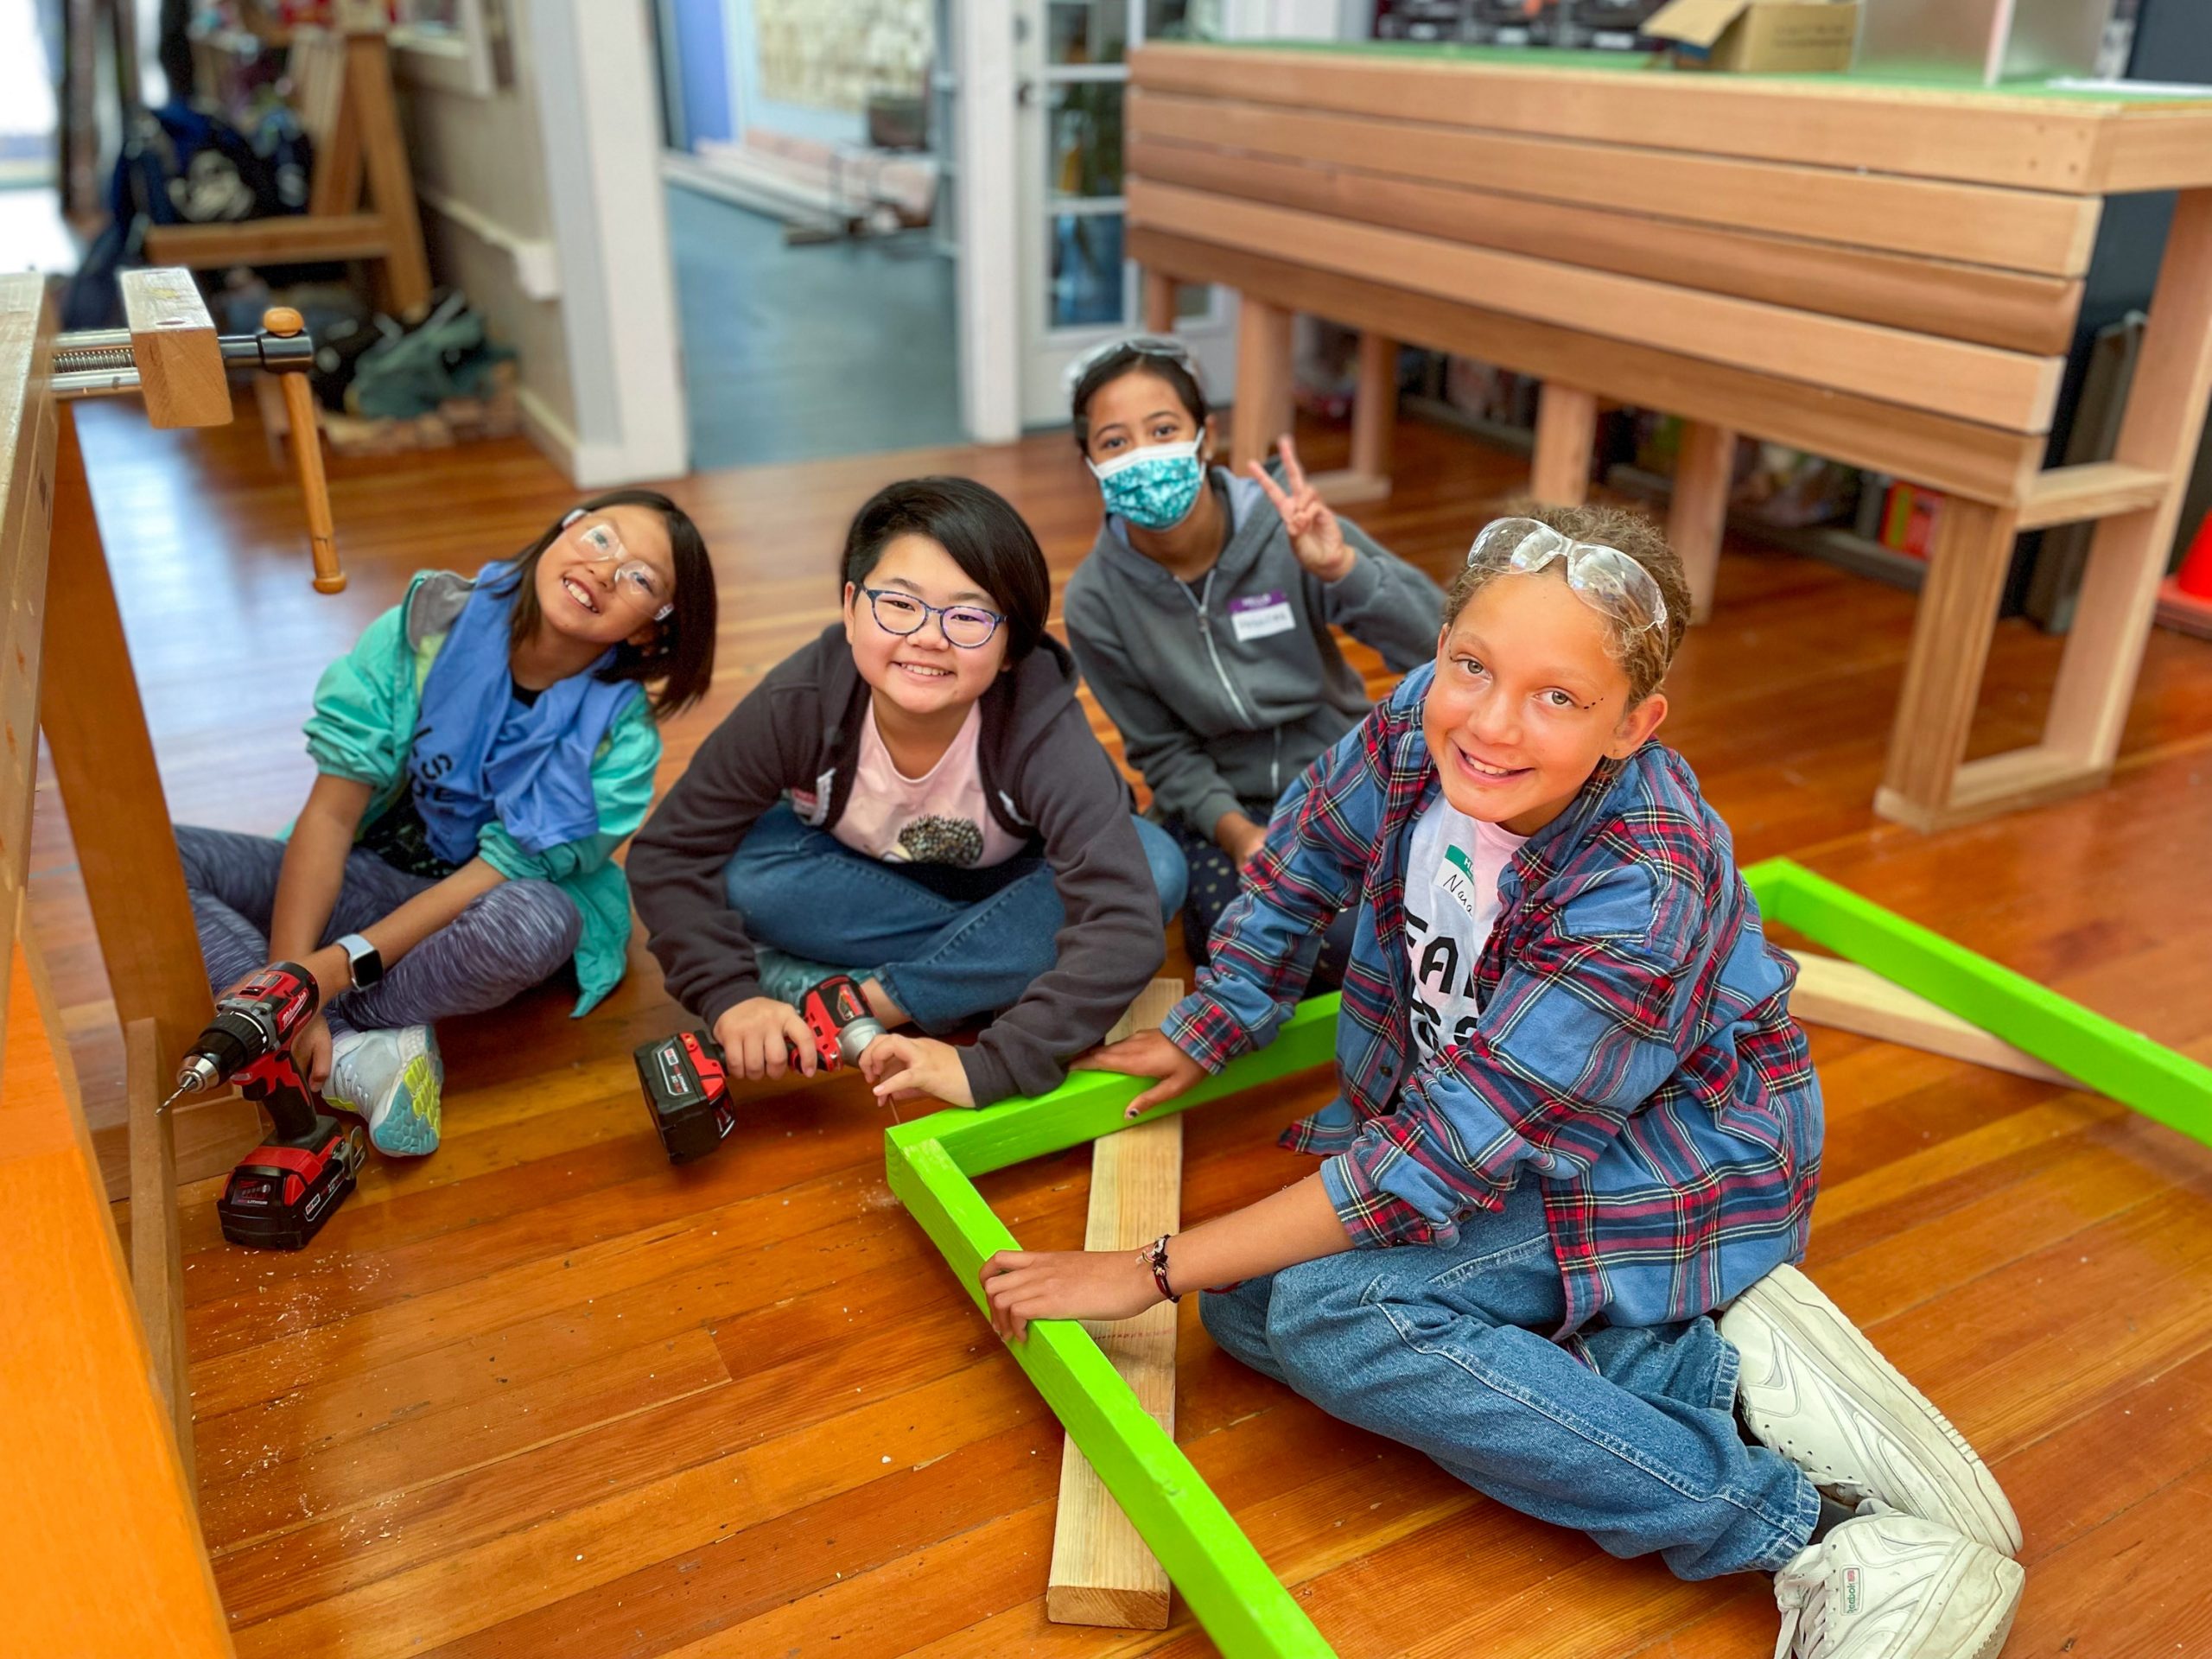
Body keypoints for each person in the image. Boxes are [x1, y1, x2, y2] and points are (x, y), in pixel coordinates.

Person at [976, 504, 2024, 1659]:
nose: (1490, 722)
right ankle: (1694, 1364)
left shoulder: (1647, 883)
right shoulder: (1420, 729)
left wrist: (1144, 1268)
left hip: (1673, 1163)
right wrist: (1217, 1020)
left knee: (1333, 1309)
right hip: (1493, 1133)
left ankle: (1813, 1531)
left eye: (1559, 698)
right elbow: (1304, 856)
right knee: (1248, 1307)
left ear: (1635, 725)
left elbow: (1437, 1159)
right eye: (1471, 664)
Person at [177, 490, 717, 1156]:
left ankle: (349, 1020)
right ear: (565, 530)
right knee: (161, 860)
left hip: (475, 909)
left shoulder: (620, 743)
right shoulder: (423, 629)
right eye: (602, 539)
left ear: (648, 630)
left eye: (641, 578)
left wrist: (328, 977)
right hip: (367, 871)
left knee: (536, 920)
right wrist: (296, 978)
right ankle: (351, 1053)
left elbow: (495, 878)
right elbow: (333, 810)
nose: (606, 570)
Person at [628, 475, 1182, 1112]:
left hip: (1021, 884)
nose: (929, 636)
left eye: (969, 616)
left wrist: (994, 1065)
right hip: (871, 887)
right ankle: (991, 967)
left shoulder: (1039, 726)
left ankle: (869, 999)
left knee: (1156, 866)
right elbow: (671, 852)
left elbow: (1121, 912)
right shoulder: (799, 702)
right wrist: (729, 997)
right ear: (849, 606)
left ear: (1010, 647)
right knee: (745, 872)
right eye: (899, 603)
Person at [1060, 334, 1443, 980]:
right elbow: (1162, 750)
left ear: (1204, 436)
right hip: (1228, 808)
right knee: (1242, 943)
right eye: (1115, 442)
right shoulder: (1095, 601)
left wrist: (1343, 568)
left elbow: (1438, 643)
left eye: (1162, 429)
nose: (1143, 456)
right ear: (1091, 463)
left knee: (1393, 929)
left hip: (1347, 776)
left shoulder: (1284, 526)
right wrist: (1240, 835)